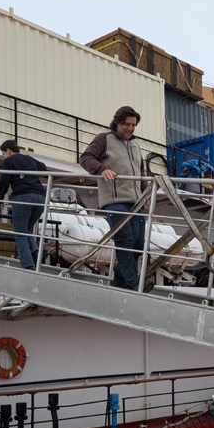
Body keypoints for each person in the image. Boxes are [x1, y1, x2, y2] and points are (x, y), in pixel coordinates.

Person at [79, 105, 151, 291]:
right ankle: (134, 282)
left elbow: (141, 173)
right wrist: (103, 169)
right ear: (117, 123)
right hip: (115, 202)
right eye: (126, 124)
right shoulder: (104, 139)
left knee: (137, 242)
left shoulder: (135, 145)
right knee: (125, 240)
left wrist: (145, 195)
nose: (130, 128)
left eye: (133, 125)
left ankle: (120, 280)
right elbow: (86, 158)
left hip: (136, 203)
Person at [0, 139, 47, 270]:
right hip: (40, 198)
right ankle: (35, 253)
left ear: (8, 151)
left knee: (20, 234)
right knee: (27, 230)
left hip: (22, 197)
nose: (2, 156)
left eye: (3, 153)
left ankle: (28, 265)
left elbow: (3, 181)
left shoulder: (8, 161)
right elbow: (43, 167)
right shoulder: (29, 159)